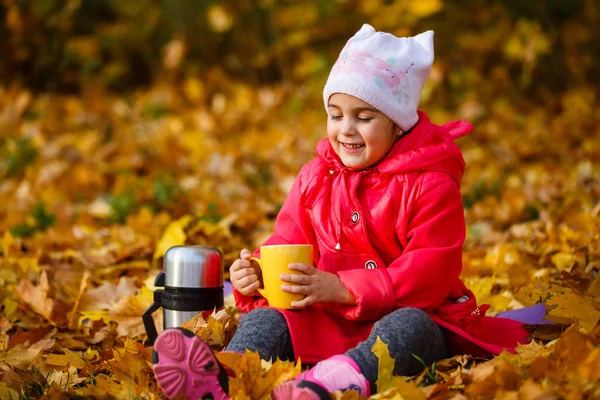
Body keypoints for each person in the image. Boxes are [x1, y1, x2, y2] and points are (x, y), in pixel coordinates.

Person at [151, 24, 531, 400]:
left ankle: (326, 386)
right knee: (268, 319)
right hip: (326, 319)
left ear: (398, 124)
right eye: (335, 114)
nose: (346, 130)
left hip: (408, 317)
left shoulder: (430, 183)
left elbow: (430, 271)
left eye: (363, 118)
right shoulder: (316, 177)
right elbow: (288, 242)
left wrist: (345, 288)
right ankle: (224, 377)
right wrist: (258, 274)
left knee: (410, 328)